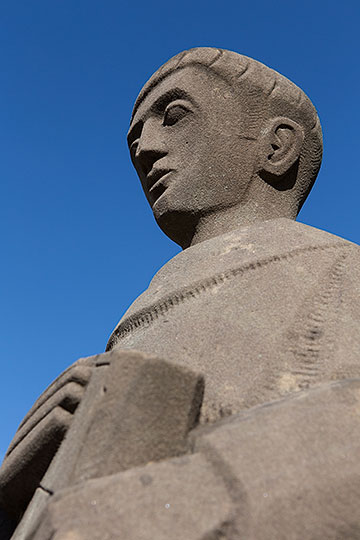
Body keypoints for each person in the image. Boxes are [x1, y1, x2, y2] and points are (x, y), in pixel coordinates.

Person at [2, 48, 360, 539]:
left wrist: (175, 504)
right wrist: (19, 487)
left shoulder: (338, 270)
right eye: (134, 142)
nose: (146, 149)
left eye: (174, 116)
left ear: (277, 147)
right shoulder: (150, 302)